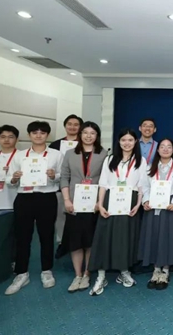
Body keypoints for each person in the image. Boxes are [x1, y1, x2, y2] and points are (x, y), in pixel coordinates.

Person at [4, 121, 64, 295]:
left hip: (47, 197)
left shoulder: (56, 155)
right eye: (35, 132)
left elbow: (62, 176)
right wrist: (14, 178)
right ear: (29, 135)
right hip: (24, 198)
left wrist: (54, 176)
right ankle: (22, 273)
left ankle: (46, 270)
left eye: (42, 133)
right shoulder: (19, 155)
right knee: (22, 236)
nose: (38, 135)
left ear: (47, 135)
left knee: (47, 235)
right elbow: (9, 179)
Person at [88, 129, 147, 296]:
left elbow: (142, 185)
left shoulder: (141, 161)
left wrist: (138, 204)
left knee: (125, 237)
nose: (127, 143)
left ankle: (124, 271)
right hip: (110, 201)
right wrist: (100, 204)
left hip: (130, 203)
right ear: (119, 142)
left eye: (130, 140)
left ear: (135, 142)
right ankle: (101, 275)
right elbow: (103, 184)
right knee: (105, 236)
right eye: (123, 140)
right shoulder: (109, 159)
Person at [59, 121, 107, 292]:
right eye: (85, 132)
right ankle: (77, 275)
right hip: (74, 203)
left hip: (93, 204)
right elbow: (64, 177)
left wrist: (99, 202)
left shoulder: (103, 154)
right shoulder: (70, 153)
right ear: (80, 135)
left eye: (92, 133)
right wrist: (66, 200)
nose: (88, 136)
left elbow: (105, 180)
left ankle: (87, 274)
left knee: (89, 240)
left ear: (97, 136)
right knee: (76, 241)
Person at [139, 138, 173, 291]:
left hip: (170, 207)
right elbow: (144, 187)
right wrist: (146, 201)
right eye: (162, 147)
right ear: (158, 150)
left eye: (169, 147)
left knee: (167, 237)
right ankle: (155, 270)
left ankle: (165, 270)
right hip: (153, 207)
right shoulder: (150, 167)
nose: (165, 149)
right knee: (154, 236)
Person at [50, 114, 83, 256]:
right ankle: (61, 243)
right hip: (60, 186)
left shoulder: (85, 143)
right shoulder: (55, 145)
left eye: (76, 125)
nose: (72, 127)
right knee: (61, 217)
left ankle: (78, 243)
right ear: (65, 126)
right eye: (70, 124)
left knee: (79, 217)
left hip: (81, 187)